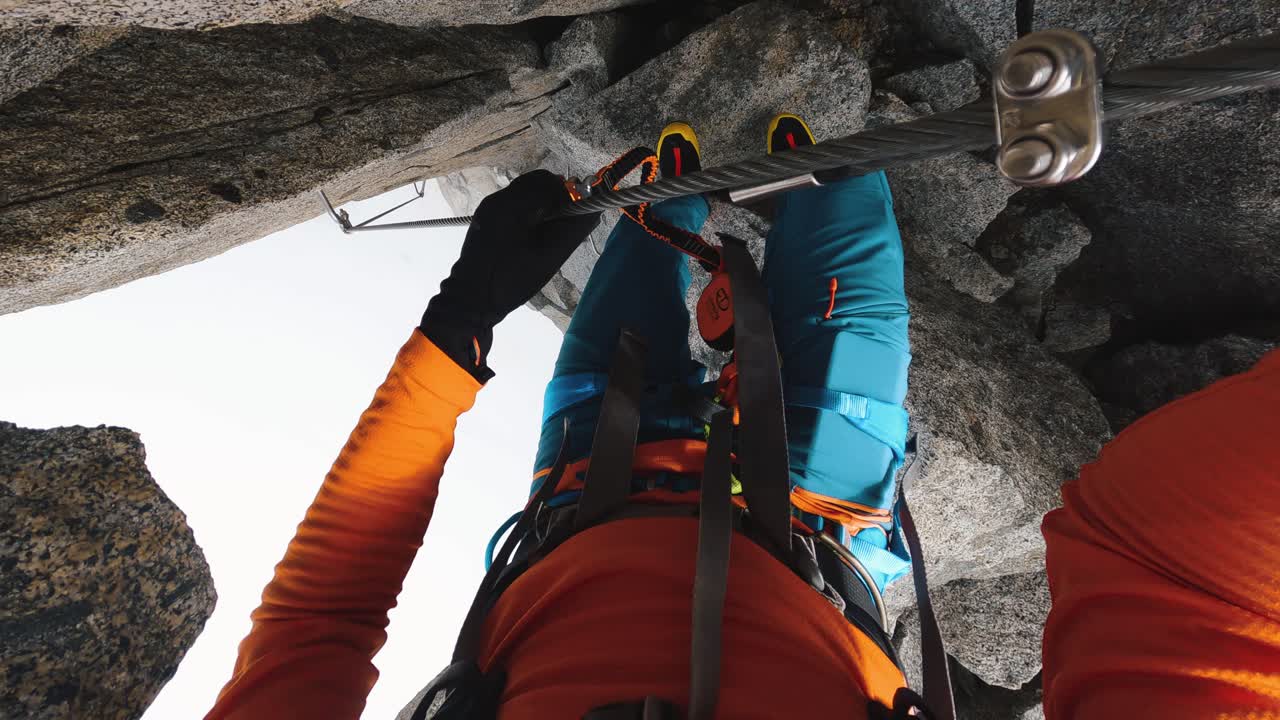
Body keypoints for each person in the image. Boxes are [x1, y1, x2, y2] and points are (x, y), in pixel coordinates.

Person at [205, 116, 1280, 720]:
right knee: (844, 210)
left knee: (660, 223)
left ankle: (689, 188)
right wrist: (458, 323)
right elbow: (1165, 566)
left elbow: (317, 623)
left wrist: (461, 320)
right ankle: (765, 173)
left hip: (588, 488)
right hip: (806, 521)